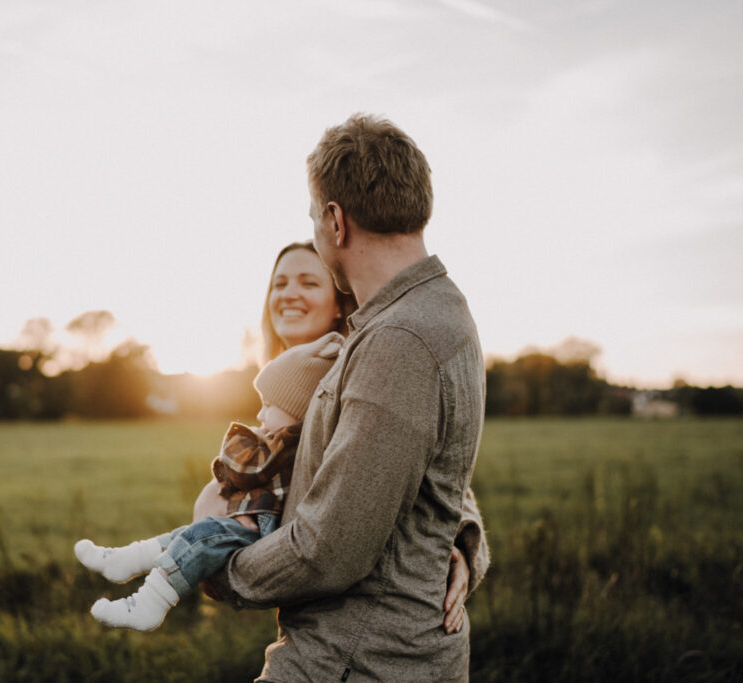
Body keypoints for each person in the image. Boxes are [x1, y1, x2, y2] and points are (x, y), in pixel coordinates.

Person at [197, 114, 487, 682]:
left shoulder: (398, 340)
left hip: (354, 661)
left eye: (312, 216)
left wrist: (210, 565)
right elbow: (427, 473)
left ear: (334, 220)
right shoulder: (426, 316)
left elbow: (329, 549)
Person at [74, 331, 343, 631]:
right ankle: (128, 559)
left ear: (298, 410)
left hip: (262, 531)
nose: (260, 413)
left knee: (202, 537)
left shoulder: (288, 444)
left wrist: (248, 440)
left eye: (268, 405)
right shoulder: (285, 442)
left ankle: (150, 602)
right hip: (254, 522)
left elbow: (241, 470)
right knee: (188, 535)